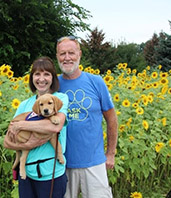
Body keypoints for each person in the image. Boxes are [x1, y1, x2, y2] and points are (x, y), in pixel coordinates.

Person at [56, 36, 118, 198]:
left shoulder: (96, 82)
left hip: (94, 162)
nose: (67, 58)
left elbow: (111, 119)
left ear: (79, 54)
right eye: (62, 54)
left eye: (71, 53)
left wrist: (110, 153)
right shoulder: (53, 85)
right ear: (57, 57)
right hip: (62, 163)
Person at [4, 56, 69, 198]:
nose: (41, 79)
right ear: (32, 78)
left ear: (53, 78)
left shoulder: (60, 99)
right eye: (37, 74)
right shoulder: (24, 105)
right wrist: (28, 143)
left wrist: (22, 125)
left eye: (46, 74)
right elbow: (8, 141)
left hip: (52, 172)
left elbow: (55, 127)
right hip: (27, 173)